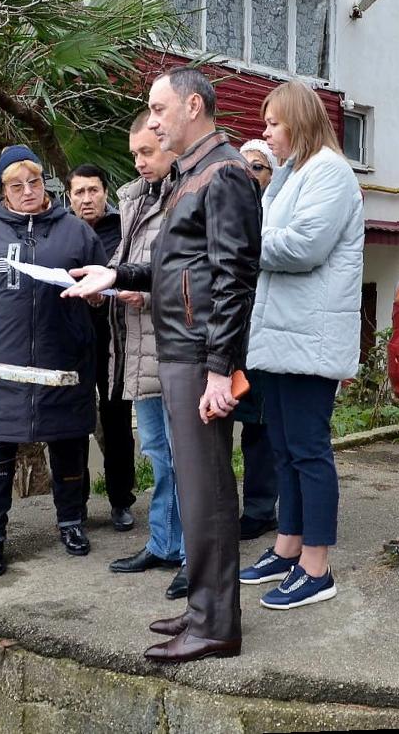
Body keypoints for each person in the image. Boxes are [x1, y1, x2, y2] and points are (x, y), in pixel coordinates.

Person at [64, 67, 261, 663]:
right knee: (199, 490)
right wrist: (116, 273)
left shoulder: (224, 172)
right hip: (181, 350)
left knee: (207, 492)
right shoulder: (188, 176)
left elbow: (233, 279)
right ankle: (205, 607)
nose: (151, 120)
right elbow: (177, 267)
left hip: (198, 355)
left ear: (193, 106)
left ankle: (217, 623)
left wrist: (218, 368)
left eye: (159, 107)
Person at [0, 146, 108, 573]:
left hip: (64, 360)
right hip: (1, 364)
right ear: (3, 191)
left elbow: (104, 289)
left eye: (34, 182)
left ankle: (72, 521)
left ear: (46, 184)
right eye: (16, 186)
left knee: (70, 448)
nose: (27, 192)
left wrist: (95, 300)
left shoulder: (76, 232)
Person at [240, 83, 365, 609]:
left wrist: (239, 243)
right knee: (284, 448)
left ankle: (317, 566)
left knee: (310, 451)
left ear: (299, 121)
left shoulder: (331, 171)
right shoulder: (292, 173)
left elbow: (303, 246)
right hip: (284, 335)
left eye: (274, 123)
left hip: (311, 339)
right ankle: (288, 545)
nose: (266, 134)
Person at [106, 111, 188, 599]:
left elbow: (192, 274)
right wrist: (104, 281)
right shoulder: (134, 201)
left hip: (174, 347)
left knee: (186, 459)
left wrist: (145, 292)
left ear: (171, 148)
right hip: (138, 346)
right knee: (158, 455)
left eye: (148, 153)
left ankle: (193, 555)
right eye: (134, 153)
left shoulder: (186, 197)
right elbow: (127, 263)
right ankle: (163, 543)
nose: (139, 162)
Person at [66, 163, 137, 533]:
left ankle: (121, 501)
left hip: (115, 340)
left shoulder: (122, 229)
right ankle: (73, 506)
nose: (86, 199)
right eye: (79, 192)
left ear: (105, 192)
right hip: (72, 343)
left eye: (92, 190)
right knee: (72, 425)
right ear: (69, 196)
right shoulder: (62, 231)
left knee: (116, 421)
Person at [233, 139, 281, 541]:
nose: (251, 173)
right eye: (244, 166)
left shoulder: (277, 214)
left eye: (259, 167)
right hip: (230, 335)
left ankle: (261, 509)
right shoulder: (229, 209)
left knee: (260, 429)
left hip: (266, 334)